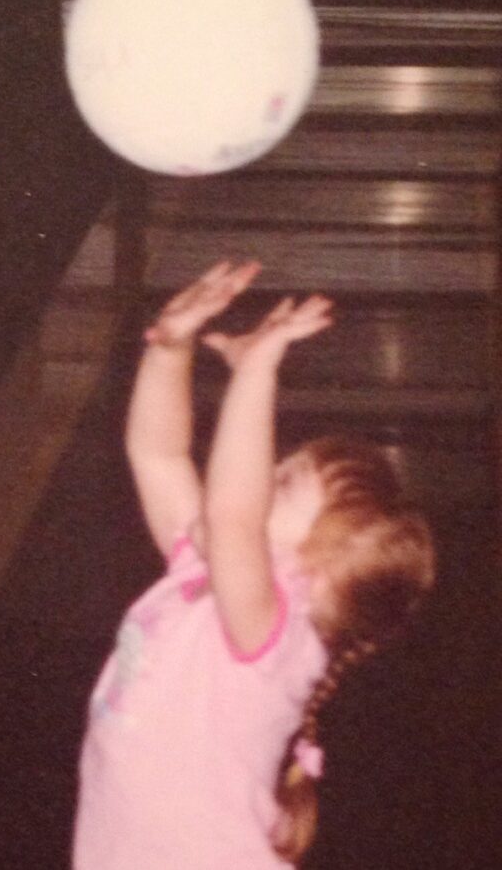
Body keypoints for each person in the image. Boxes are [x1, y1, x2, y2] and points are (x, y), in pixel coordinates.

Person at [73, 260, 436, 869]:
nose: (261, 477)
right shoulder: (203, 577)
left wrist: (260, 369)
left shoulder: (271, 633)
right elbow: (158, 455)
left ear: (321, 565)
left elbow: (235, 515)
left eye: (285, 485)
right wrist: (170, 347)